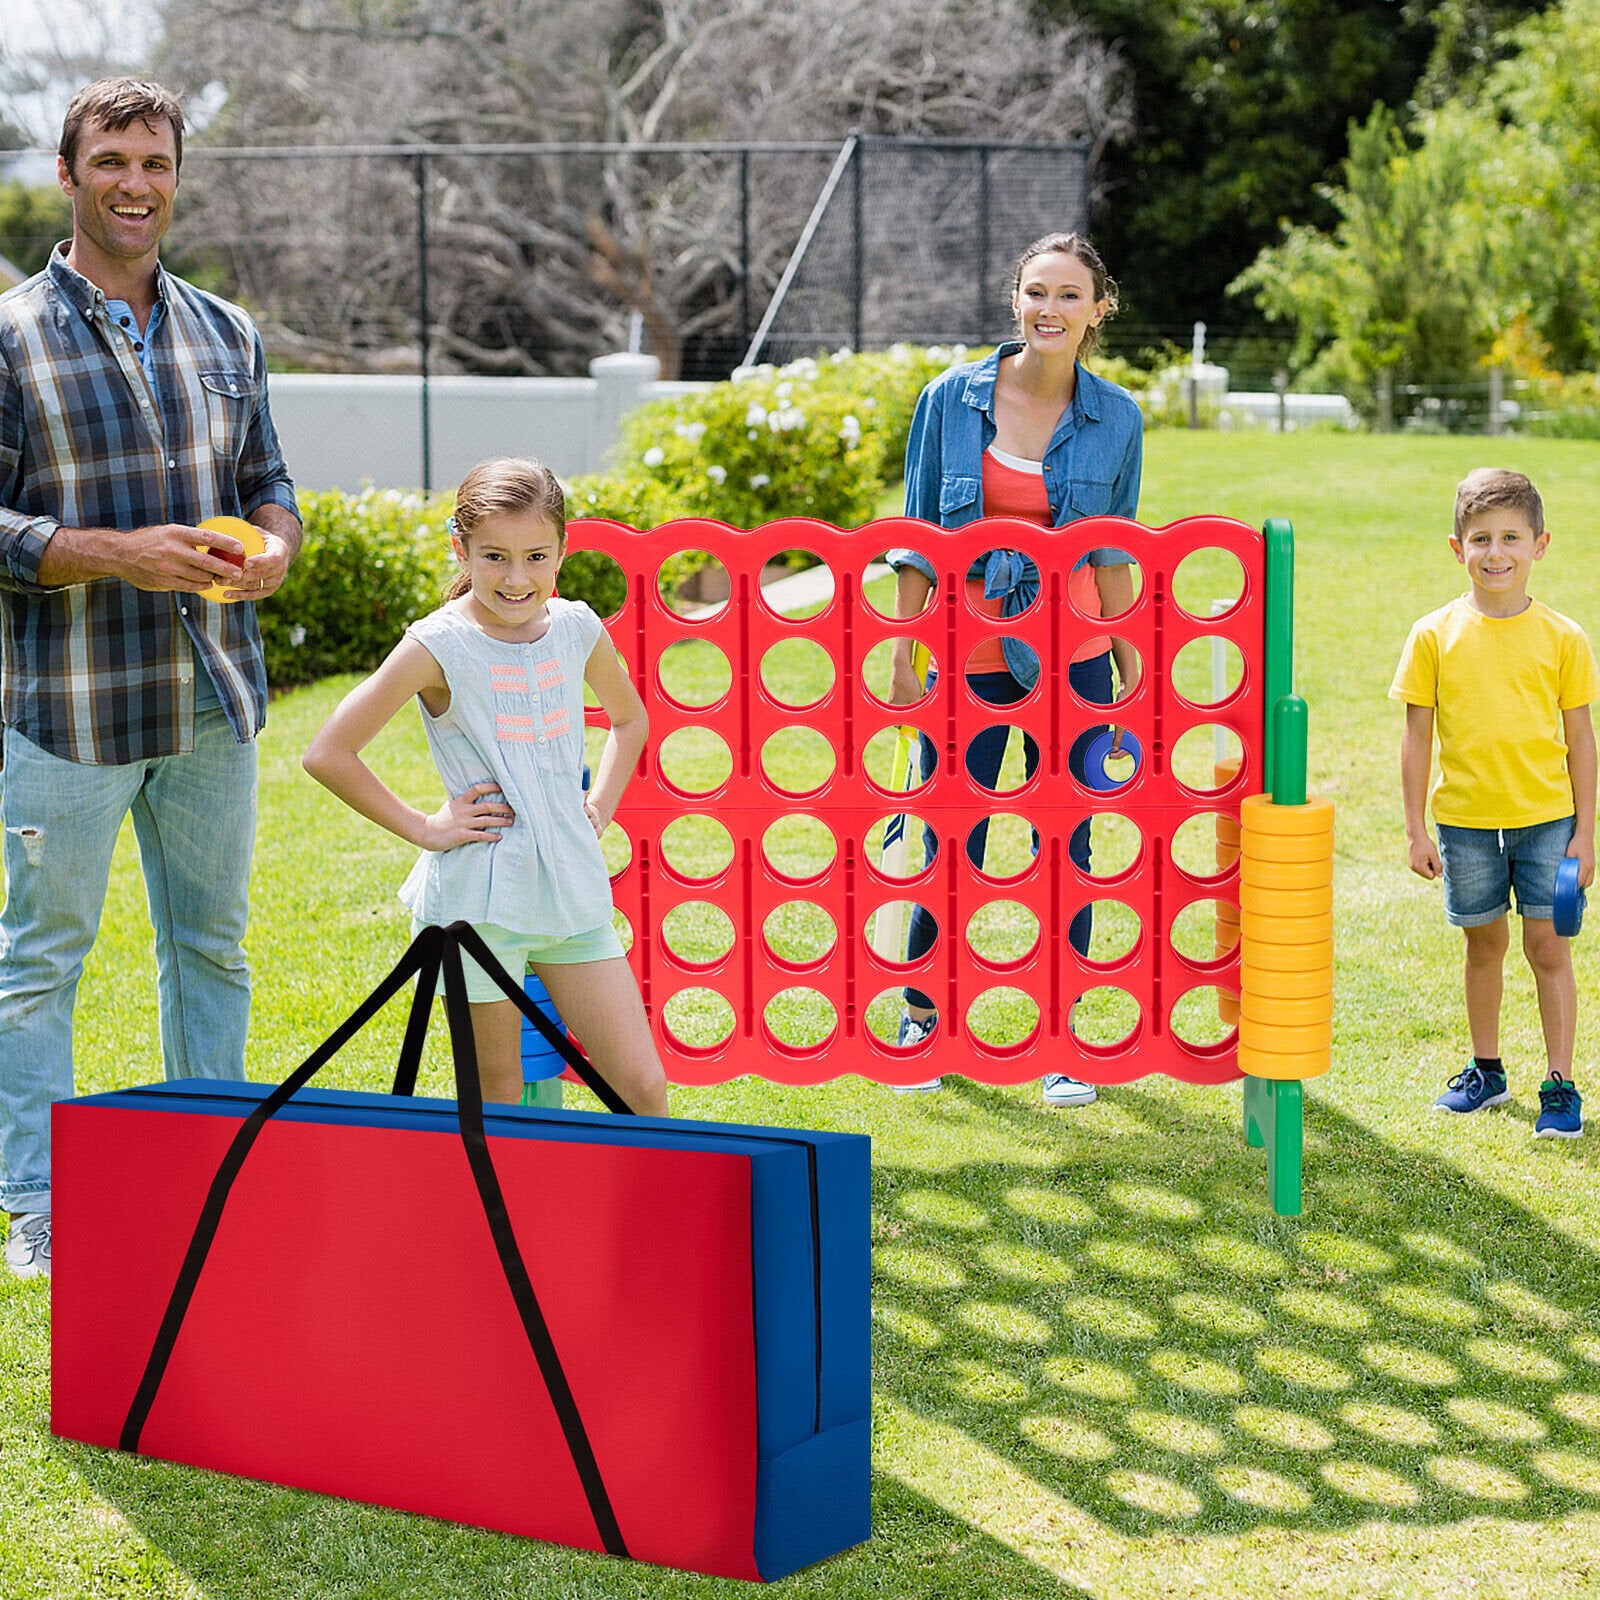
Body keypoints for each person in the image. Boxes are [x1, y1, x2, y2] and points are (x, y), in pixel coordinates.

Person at [0, 79, 302, 1280]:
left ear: (177, 174)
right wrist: (110, 554)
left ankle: (210, 1176)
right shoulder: (11, 336)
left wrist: (275, 547)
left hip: (209, 703)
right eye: (113, 159)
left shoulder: (226, 331)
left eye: (157, 161)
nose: (138, 182)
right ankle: (38, 1206)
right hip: (63, 712)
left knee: (212, 950)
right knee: (40, 960)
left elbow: (269, 479)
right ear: (69, 174)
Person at [303, 458, 669, 1118]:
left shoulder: (577, 627)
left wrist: (599, 808)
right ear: (461, 549)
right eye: (495, 556)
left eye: (537, 555)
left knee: (642, 1088)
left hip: (570, 891)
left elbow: (630, 718)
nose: (517, 577)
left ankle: (655, 1222)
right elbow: (329, 752)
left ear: (563, 549)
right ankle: (495, 1222)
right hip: (479, 902)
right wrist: (426, 828)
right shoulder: (437, 644)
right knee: (496, 1095)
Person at [882, 231, 1143, 1105]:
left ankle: (1061, 1034)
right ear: (1014, 300)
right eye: (1037, 292)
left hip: (1075, 659)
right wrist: (902, 646)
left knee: (1064, 842)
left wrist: (1130, 675)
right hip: (969, 651)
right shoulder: (950, 401)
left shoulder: (1118, 419)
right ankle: (923, 1017)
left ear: (1098, 309)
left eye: (1070, 295)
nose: (1050, 310)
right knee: (945, 834)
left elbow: (1114, 550)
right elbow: (917, 535)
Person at [1392, 467, 1595, 1139]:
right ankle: (1487, 1072)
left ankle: (1560, 1085)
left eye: (1511, 537)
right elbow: (1416, 738)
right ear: (1457, 548)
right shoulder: (1432, 634)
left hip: (1547, 821)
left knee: (1548, 949)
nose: (1496, 553)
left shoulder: (1564, 638)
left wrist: (1585, 833)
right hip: (1466, 822)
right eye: (1481, 539)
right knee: (1484, 946)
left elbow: (1581, 742)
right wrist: (1416, 829)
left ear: (1540, 544)